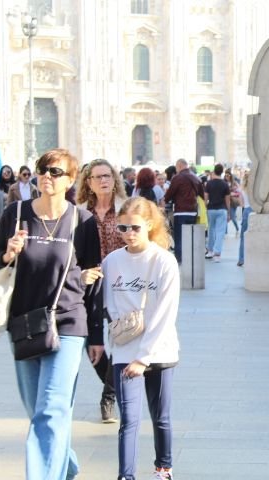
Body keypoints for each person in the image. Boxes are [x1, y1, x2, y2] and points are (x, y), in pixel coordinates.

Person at [0, 148, 103, 479]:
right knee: (40, 411)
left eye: (54, 172)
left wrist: (96, 336)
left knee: (51, 409)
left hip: (68, 322)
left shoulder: (83, 221)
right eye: (42, 170)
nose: (46, 177)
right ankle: (65, 462)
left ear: (70, 180)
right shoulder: (16, 213)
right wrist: (7, 253)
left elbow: (93, 279)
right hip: (24, 322)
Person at [102, 197, 180, 480]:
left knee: (161, 418)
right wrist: (115, 340)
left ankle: (164, 468)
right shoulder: (112, 261)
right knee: (129, 420)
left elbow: (165, 313)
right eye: (122, 228)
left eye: (134, 227)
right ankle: (126, 476)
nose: (128, 233)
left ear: (149, 224)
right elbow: (110, 305)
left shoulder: (164, 261)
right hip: (124, 349)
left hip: (159, 351)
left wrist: (144, 356)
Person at [76, 158, 128, 423]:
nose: (104, 180)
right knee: (91, 342)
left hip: (121, 282)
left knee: (120, 339)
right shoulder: (78, 212)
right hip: (90, 282)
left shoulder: (125, 209)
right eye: (98, 177)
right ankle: (116, 388)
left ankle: (108, 397)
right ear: (89, 183)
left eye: (108, 175)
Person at [163, 159, 204, 263]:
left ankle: (179, 259)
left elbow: (170, 194)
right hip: (193, 211)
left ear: (180, 166)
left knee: (179, 237)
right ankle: (190, 258)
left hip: (180, 211)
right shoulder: (195, 177)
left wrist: (165, 200)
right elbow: (202, 194)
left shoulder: (178, 178)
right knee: (190, 236)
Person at [204, 164, 231, 263]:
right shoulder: (225, 184)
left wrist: (205, 207)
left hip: (211, 209)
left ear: (214, 171)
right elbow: (227, 200)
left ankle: (210, 250)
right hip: (222, 209)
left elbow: (206, 198)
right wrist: (229, 212)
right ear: (222, 172)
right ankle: (217, 253)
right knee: (220, 232)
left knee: (211, 229)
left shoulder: (209, 183)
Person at [237, 172, 252, 267]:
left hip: (246, 210)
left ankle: (241, 259)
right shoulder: (254, 190)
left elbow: (241, 203)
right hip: (254, 211)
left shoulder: (242, 189)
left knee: (243, 237)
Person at [224, 170, 241, 236]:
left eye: (228, 175)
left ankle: (237, 228)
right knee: (225, 217)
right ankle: (225, 232)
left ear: (231, 176)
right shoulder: (223, 183)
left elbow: (239, 192)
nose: (226, 177)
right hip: (225, 202)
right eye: (225, 175)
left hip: (233, 203)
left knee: (233, 217)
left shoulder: (234, 183)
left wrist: (232, 193)